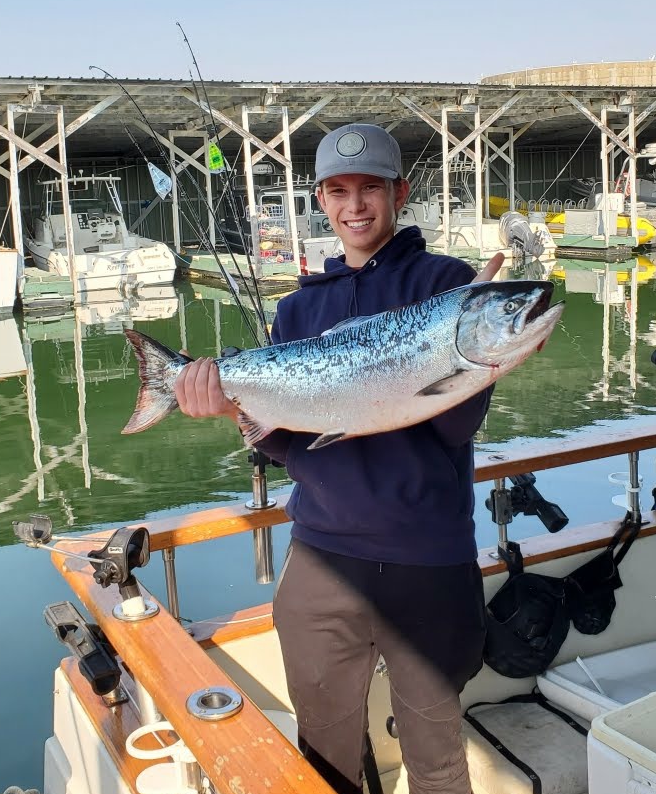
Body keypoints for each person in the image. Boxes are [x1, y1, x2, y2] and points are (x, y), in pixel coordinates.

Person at [176, 123, 505, 794]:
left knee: (437, 759)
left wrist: (469, 348)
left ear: (398, 193)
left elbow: (455, 428)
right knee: (322, 759)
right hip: (322, 560)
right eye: (338, 190)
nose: (355, 205)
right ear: (320, 201)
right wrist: (231, 408)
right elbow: (284, 443)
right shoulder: (298, 309)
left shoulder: (445, 284)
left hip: (428, 560)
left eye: (369, 188)